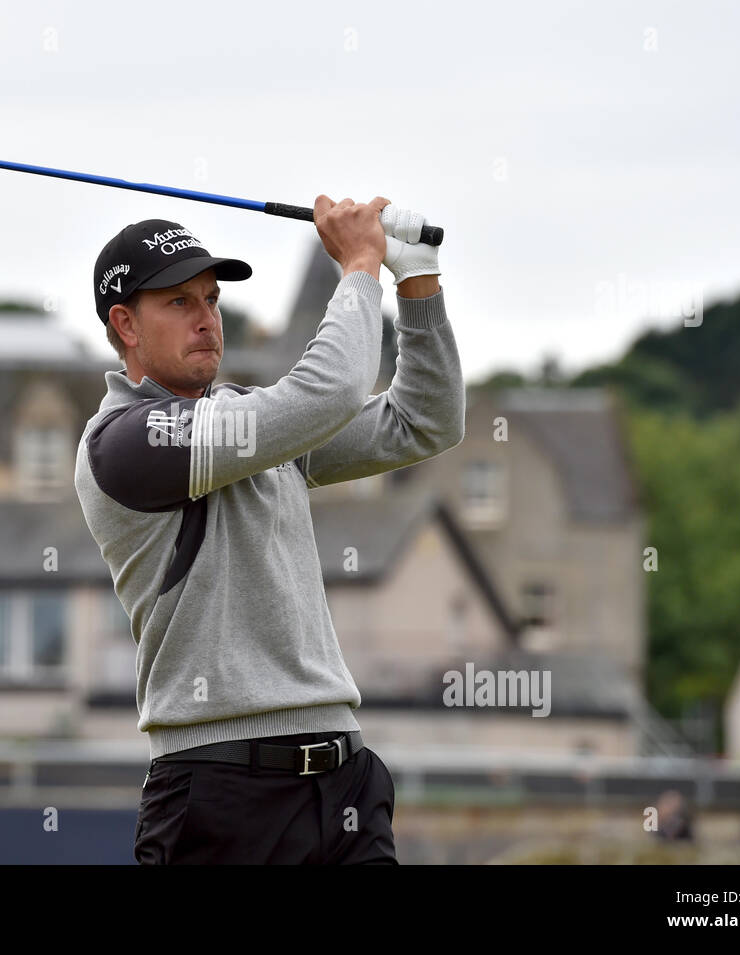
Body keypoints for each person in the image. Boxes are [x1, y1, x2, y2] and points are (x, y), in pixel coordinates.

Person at [74, 196, 465, 864]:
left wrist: (418, 279)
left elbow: (425, 419)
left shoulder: (250, 425)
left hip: (342, 783)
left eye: (211, 299)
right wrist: (361, 265)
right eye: (179, 303)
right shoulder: (124, 443)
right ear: (125, 325)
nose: (207, 320)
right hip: (220, 791)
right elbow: (328, 394)